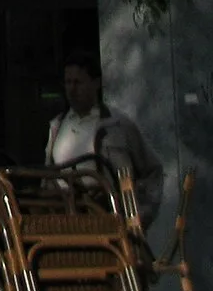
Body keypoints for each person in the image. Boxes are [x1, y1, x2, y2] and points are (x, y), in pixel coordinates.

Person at [46, 55, 164, 224]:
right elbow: (47, 179)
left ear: (95, 83)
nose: (72, 89)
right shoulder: (56, 127)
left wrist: (140, 216)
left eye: (78, 82)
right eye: (68, 82)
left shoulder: (117, 125)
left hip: (109, 222)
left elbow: (152, 170)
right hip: (65, 223)